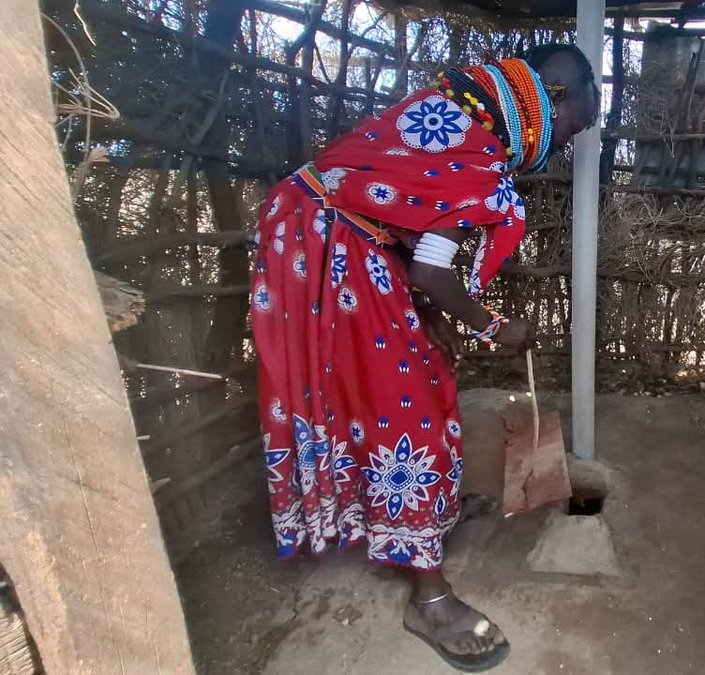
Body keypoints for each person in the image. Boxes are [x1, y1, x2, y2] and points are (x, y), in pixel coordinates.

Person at [249, 44, 600, 671]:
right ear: (557, 94)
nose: (562, 144)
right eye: (572, 128)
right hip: (328, 251)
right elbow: (431, 269)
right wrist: (496, 327)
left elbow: (404, 229)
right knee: (399, 406)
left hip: (346, 245)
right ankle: (427, 594)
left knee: (422, 379)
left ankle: (423, 513)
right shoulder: (473, 151)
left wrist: (433, 312)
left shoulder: (454, 117)